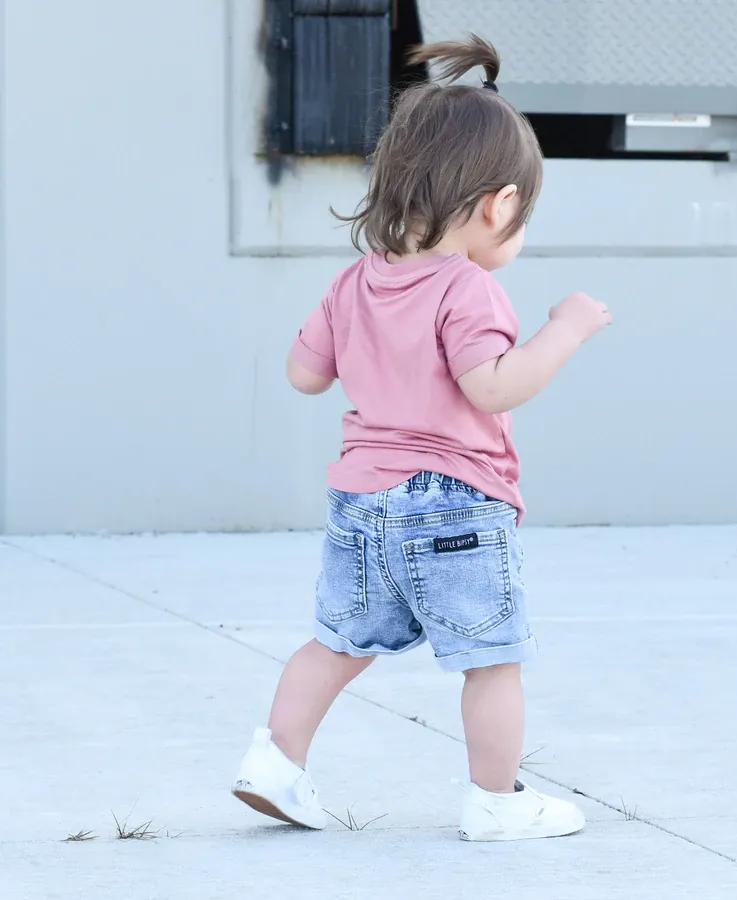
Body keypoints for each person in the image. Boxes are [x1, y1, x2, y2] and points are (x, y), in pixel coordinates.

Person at [232, 34, 613, 842]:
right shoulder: (467, 288)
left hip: (362, 502)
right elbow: (494, 385)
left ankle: (277, 763)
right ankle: (498, 802)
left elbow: (305, 374)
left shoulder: (356, 279)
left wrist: (339, 319)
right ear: (497, 206)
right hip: (452, 505)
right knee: (491, 658)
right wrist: (566, 331)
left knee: (336, 642)